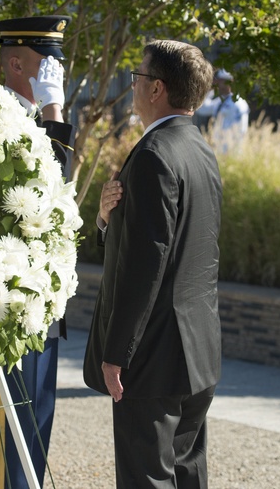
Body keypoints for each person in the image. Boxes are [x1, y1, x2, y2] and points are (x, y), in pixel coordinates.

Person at [85, 39, 222, 488]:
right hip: (197, 347)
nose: (134, 87)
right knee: (186, 474)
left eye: (137, 78)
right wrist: (107, 219)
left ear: (157, 88)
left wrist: (117, 353)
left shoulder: (153, 156)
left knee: (147, 479)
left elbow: (147, 264)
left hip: (154, 353)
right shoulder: (200, 150)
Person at [0, 15, 76, 489]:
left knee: (36, 429)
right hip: (10, 298)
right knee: (7, 428)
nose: (55, 72)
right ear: (16, 63)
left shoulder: (40, 118)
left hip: (43, 297)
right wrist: (54, 114)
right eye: (47, 62)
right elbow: (40, 190)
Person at [196, 68, 249, 152]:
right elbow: (201, 109)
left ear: (230, 82)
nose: (217, 84)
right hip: (218, 149)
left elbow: (238, 131)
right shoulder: (220, 101)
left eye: (221, 81)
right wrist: (209, 91)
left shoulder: (238, 103)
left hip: (231, 151)